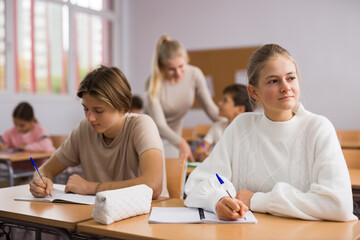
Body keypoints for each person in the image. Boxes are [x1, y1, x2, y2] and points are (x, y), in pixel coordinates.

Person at [184, 44, 357, 221]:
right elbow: (195, 183)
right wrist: (218, 200)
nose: (285, 87)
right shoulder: (241, 126)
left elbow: (338, 205)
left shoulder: (318, 128)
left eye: (290, 78)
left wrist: (258, 201)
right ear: (254, 92)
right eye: (273, 81)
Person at [29, 65, 168, 199]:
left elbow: (153, 186)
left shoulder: (142, 126)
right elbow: (44, 170)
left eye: (98, 110)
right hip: (102, 217)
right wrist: (40, 182)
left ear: (121, 106)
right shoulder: (84, 130)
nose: (90, 118)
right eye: (86, 109)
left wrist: (91, 187)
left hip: (150, 216)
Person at [144, 35, 220, 162]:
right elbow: (159, 124)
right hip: (151, 138)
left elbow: (211, 109)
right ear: (162, 66)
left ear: (186, 60)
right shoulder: (153, 83)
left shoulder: (194, 74)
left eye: (181, 66)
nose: (178, 73)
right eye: (171, 69)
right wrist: (181, 143)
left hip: (175, 139)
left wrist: (233, 121)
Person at [193, 84, 252, 162]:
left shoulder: (250, 130)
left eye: (225, 100)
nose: (219, 103)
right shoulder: (217, 126)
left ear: (239, 109)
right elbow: (203, 145)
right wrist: (203, 152)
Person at [0, 102, 55, 170]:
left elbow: (47, 146)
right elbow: (2, 139)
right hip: (18, 171)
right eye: (15, 124)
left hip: (39, 170)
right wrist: (1, 144)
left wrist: (25, 147)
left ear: (32, 120)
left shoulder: (40, 129)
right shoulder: (12, 131)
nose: (17, 128)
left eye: (22, 125)